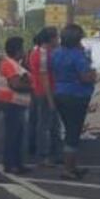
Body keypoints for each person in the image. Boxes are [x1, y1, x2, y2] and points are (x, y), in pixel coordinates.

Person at [50, 24, 96, 180]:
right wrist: (94, 74)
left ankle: (72, 166)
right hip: (76, 95)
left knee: (70, 129)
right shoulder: (78, 55)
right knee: (73, 132)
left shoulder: (56, 53)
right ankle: (68, 169)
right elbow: (85, 77)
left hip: (60, 92)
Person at [0, 36, 32, 174]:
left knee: (17, 135)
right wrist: (32, 87)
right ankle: (11, 164)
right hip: (12, 103)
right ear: (17, 50)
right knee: (13, 135)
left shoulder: (14, 63)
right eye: (22, 49)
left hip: (15, 103)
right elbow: (15, 84)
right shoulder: (10, 64)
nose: (24, 51)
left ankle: (16, 163)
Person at [29, 27, 61, 167]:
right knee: (46, 125)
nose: (58, 40)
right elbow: (44, 78)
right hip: (44, 92)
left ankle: (53, 153)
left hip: (40, 91)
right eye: (57, 37)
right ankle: (44, 155)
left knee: (51, 124)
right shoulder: (42, 54)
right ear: (51, 39)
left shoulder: (38, 52)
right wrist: (50, 99)